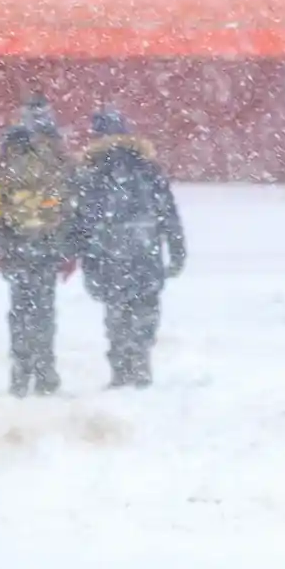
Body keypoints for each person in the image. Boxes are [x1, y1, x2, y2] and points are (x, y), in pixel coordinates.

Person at [71, 110, 186, 388]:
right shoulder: (147, 168)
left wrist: (82, 255)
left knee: (117, 315)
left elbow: (84, 220)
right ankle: (141, 365)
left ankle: (122, 371)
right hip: (146, 253)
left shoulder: (92, 172)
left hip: (110, 257)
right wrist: (177, 249)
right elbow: (168, 214)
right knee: (144, 311)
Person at [0, 124, 76, 397]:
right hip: (47, 252)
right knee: (44, 312)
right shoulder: (55, 169)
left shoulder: (6, 172)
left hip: (17, 252)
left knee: (20, 312)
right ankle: (46, 373)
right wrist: (69, 252)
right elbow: (69, 214)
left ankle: (20, 374)